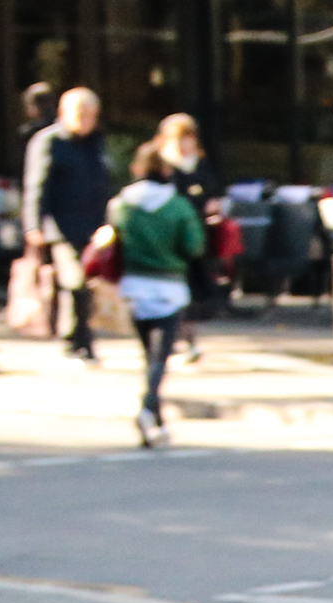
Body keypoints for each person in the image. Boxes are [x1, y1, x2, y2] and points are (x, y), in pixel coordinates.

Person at [109, 140, 206, 447]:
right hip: (169, 286)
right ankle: (148, 407)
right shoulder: (178, 205)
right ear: (165, 170)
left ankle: (157, 422)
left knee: (147, 356)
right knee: (160, 356)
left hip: (134, 285)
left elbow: (115, 235)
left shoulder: (122, 204)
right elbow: (194, 246)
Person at [23, 85, 111, 362]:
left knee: (89, 284)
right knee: (76, 282)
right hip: (62, 225)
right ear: (64, 113)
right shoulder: (49, 141)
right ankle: (80, 341)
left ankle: (75, 337)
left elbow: (103, 182)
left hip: (94, 224)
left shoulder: (96, 141)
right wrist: (33, 224)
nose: (86, 120)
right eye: (80, 114)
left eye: (91, 115)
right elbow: (36, 185)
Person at [155, 113, 222, 361]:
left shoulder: (201, 166)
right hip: (169, 239)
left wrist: (212, 205)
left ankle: (188, 340)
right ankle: (172, 340)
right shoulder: (163, 168)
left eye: (189, 139)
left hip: (196, 239)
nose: (185, 145)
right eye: (179, 139)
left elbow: (212, 193)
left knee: (191, 290)